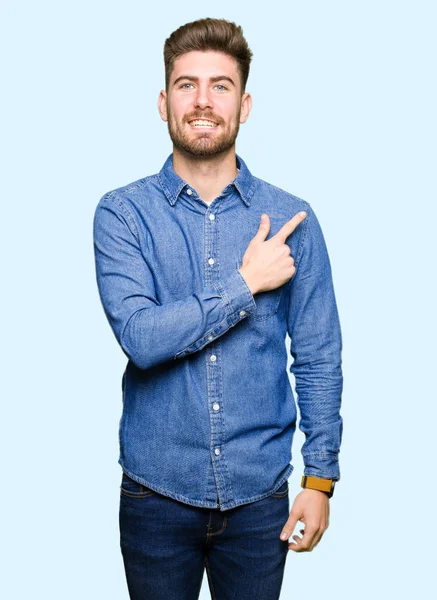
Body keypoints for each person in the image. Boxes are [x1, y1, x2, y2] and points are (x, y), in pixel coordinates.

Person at [93, 17, 344, 600]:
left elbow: (319, 355)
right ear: (163, 102)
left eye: (220, 86)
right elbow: (142, 337)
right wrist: (245, 283)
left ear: (245, 103)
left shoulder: (292, 220)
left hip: (261, 499)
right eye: (187, 84)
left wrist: (321, 478)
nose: (202, 101)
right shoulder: (122, 214)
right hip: (156, 497)